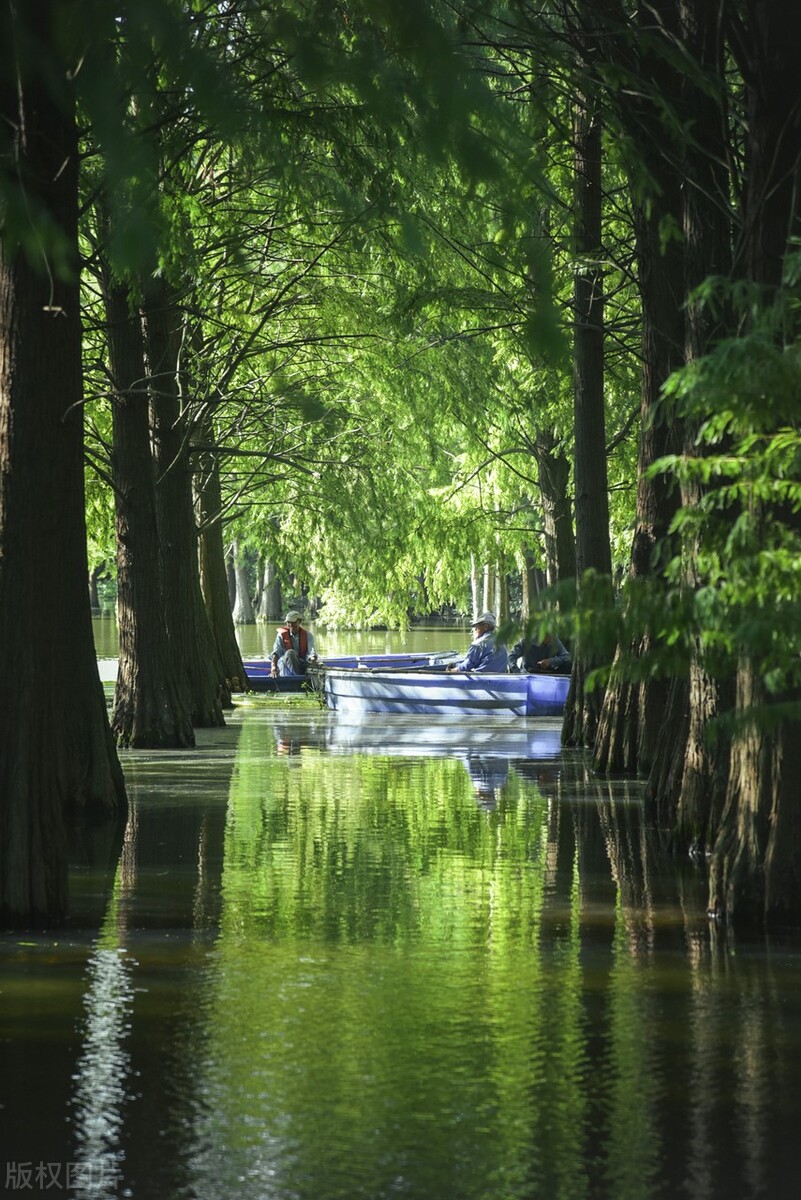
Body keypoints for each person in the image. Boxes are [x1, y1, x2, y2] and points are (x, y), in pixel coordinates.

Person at [270, 610, 318, 677]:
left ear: (300, 622)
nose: (291, 625)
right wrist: (273, 668)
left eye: (294, 622)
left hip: (301, 664)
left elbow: (311, 653)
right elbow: (276, 653)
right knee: (290, 653)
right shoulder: (281, 635)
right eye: (288, 622)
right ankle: (299, 678)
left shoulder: (308, 635)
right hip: (285, 667)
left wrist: (314, 663)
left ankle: (302, 677)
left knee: (319, 665)